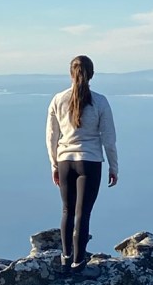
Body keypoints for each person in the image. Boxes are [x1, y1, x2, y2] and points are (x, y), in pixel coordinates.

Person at [46, 55, 119, 273]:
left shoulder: (58, 99)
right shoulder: (100, 101)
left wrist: (54, 164)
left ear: (70, 73)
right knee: (83, 213)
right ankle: (79, 263)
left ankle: (65, 257)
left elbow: (51, 136)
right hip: (90, 162)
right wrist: (114, 167)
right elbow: (109, 138)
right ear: (92, 74)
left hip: (65, 161)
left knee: (67, 210)